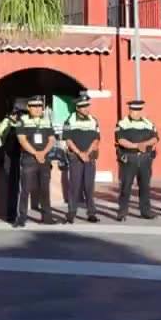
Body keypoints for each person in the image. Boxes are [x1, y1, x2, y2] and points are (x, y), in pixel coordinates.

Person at [12, 96, 56, 228]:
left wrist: (43, 153)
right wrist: (36, 153)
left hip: (44, 159)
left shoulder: (46, 121)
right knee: (25, 189)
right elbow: (22, 140)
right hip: (29, 159)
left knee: (45, 188)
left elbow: (52, 139)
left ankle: (47, 217)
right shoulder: (22, 121)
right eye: (34, 106)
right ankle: (21, 218)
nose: (38, 109)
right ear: (28, 108)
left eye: (40, 107)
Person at [115, 100, 158, 221]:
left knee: (145, 186)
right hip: (129, 158)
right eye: (134, 110)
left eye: (138, 110)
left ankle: (146, 211)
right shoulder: (122, 123)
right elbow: (120, 140)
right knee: (126, 186)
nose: (136, 113)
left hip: (145, 159)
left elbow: (155, 138)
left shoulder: (148, 123)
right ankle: (122, 212)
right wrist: (136, 146)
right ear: (130, 110)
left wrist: (145, 144)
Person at [63, 93, 101, 224]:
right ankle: (71, 213)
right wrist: (80, 153)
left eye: (87, 106)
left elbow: (96, 139)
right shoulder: (70, 120)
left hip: (89, 158)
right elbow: (68, 140)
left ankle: (91, 213)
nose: (86, 109)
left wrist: (87, 152)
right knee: (75, 186)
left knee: (89, 187)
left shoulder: (93, 120)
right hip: (76, 158)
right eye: (83, 107)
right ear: (78, 108)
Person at [0, 105, 25, 224]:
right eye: (19, 114)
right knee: (12, 187)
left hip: (17, 157)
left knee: (15, 187)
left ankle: (14, 214)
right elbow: (3, 137)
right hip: (10, 157)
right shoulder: (7, 123)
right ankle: (11, 215)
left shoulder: (14, 123)